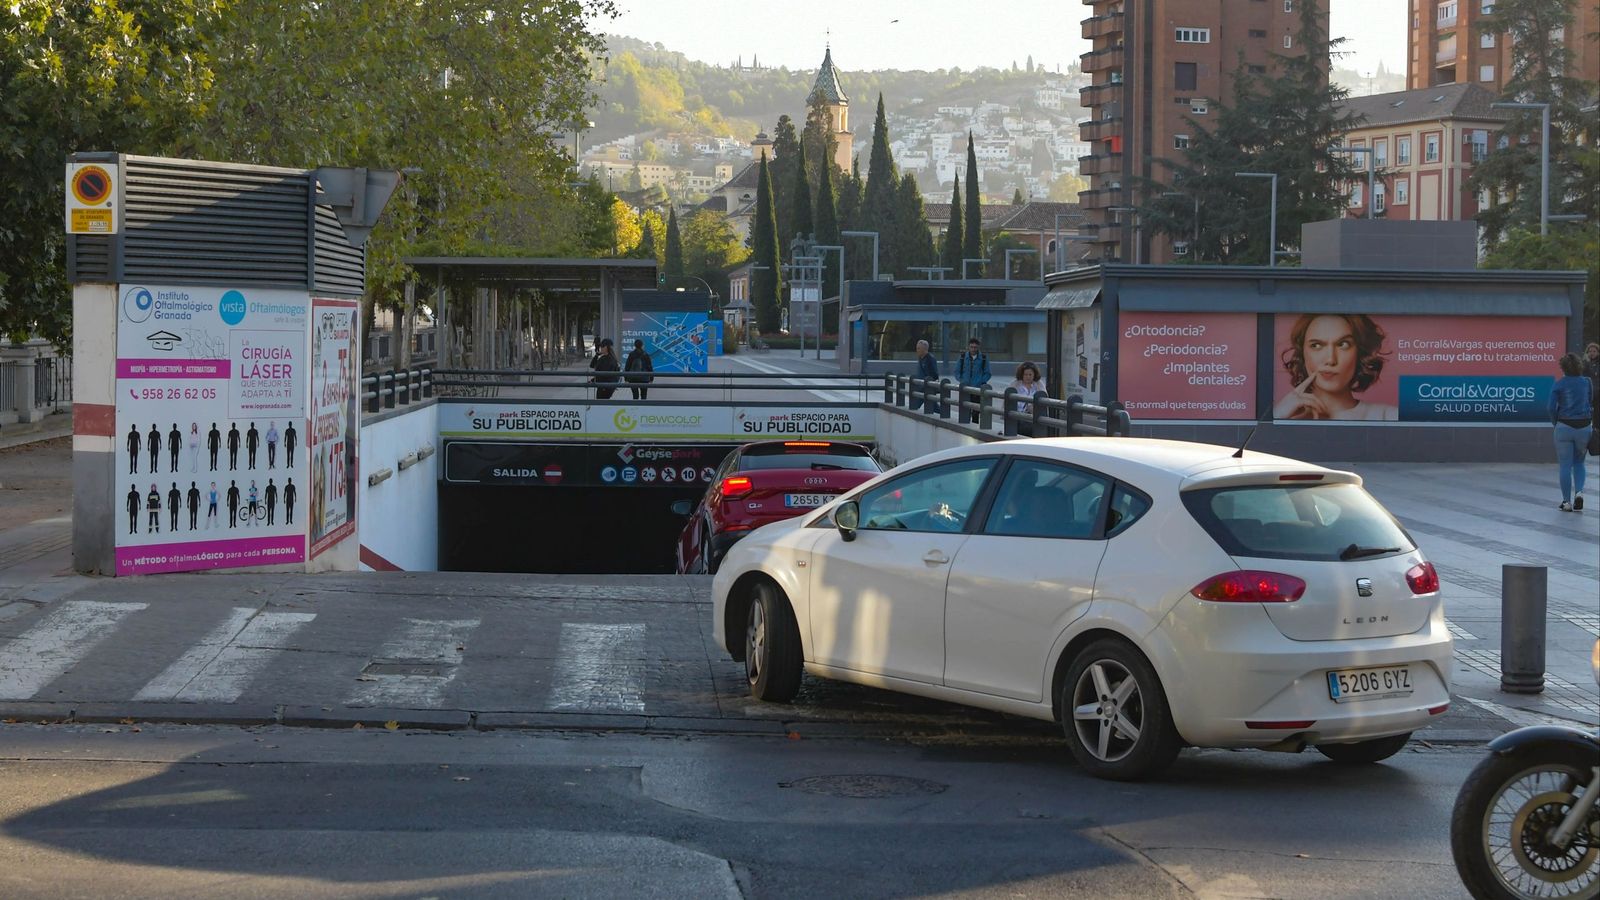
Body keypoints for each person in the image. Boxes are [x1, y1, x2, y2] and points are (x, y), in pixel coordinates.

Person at [1274, 314, 1399, 421]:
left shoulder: (1389, 416)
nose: (1330, 360)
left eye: (1343, 344)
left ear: (1360, 353)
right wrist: (1277, 417)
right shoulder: (1283, 416)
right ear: (1302, 353)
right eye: (1316, 345)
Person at [1549, 352, 1594, 512]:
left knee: (1565, 465)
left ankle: (1566, 502)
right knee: (1579, 462)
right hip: (1583, 427)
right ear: (1579, 366)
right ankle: (1579, 493)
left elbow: (1550, 407)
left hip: (1564, 427)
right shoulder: (1587, 382)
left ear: (1563, 368)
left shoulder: (1559, 384)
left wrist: (1556, 423)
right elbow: (1589, 402)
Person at [1009, 361, 1048, 437]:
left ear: (1034, 375)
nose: (1028, 377)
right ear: (1021, 375)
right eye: (1025, 374)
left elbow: (1044, 401)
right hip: (1018, 419)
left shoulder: (1039, 385)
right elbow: (1009, 402)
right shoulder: (1015, 385)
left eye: (1030, 374)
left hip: (1034, 420)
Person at [910, 339, 940, 412]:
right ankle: (944, 414)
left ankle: (945, 415)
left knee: (914, 406)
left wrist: (929, 382)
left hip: (926, 387)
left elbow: (934, 374)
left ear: (925, 349)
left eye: (919, 348)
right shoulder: (920, 358)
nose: (917, 350)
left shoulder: (930, 359)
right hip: (921, 387)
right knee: (933, 406)